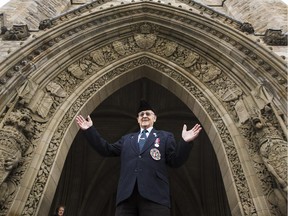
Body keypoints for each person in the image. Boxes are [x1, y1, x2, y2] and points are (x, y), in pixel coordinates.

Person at [75, 100, 202, 216]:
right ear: (137, 119)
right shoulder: (127, 139)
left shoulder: (165, 137)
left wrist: (185, 142)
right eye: (141, 114)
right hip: (126, 198)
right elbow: (106, 149)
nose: (144, 116)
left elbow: (175, 161)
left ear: (154, 118)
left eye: (148, 114)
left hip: (155, 196)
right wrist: (89, 130)